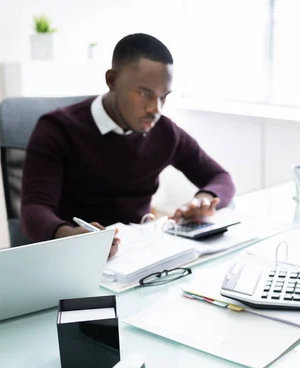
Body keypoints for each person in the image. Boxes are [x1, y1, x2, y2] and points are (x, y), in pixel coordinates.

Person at [21, 33, 235, 258]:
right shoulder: (57, 129)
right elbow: (33, 210)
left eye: (164, 96)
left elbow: (221, 178)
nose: (156, 108)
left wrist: (203, 200)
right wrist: (68, 235)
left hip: (137, 256)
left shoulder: (165, 132)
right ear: (112, 81)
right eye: (145, 94)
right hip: (71, 258)